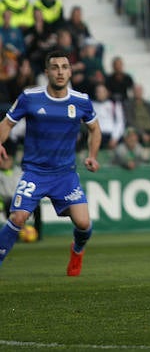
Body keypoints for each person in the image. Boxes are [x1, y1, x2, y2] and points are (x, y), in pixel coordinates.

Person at [0, 50, 101, 276]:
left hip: (65, 175)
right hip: (34, 173)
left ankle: (77, 250)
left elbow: (95, 129)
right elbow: (6, 124)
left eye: (64, 67)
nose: (60, 72)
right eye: (55, 68)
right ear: (46, 72)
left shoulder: (81, 101)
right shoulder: (30, 97)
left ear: (70, 71)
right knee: (18, 217)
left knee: (83, 224)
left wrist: (92, 155)